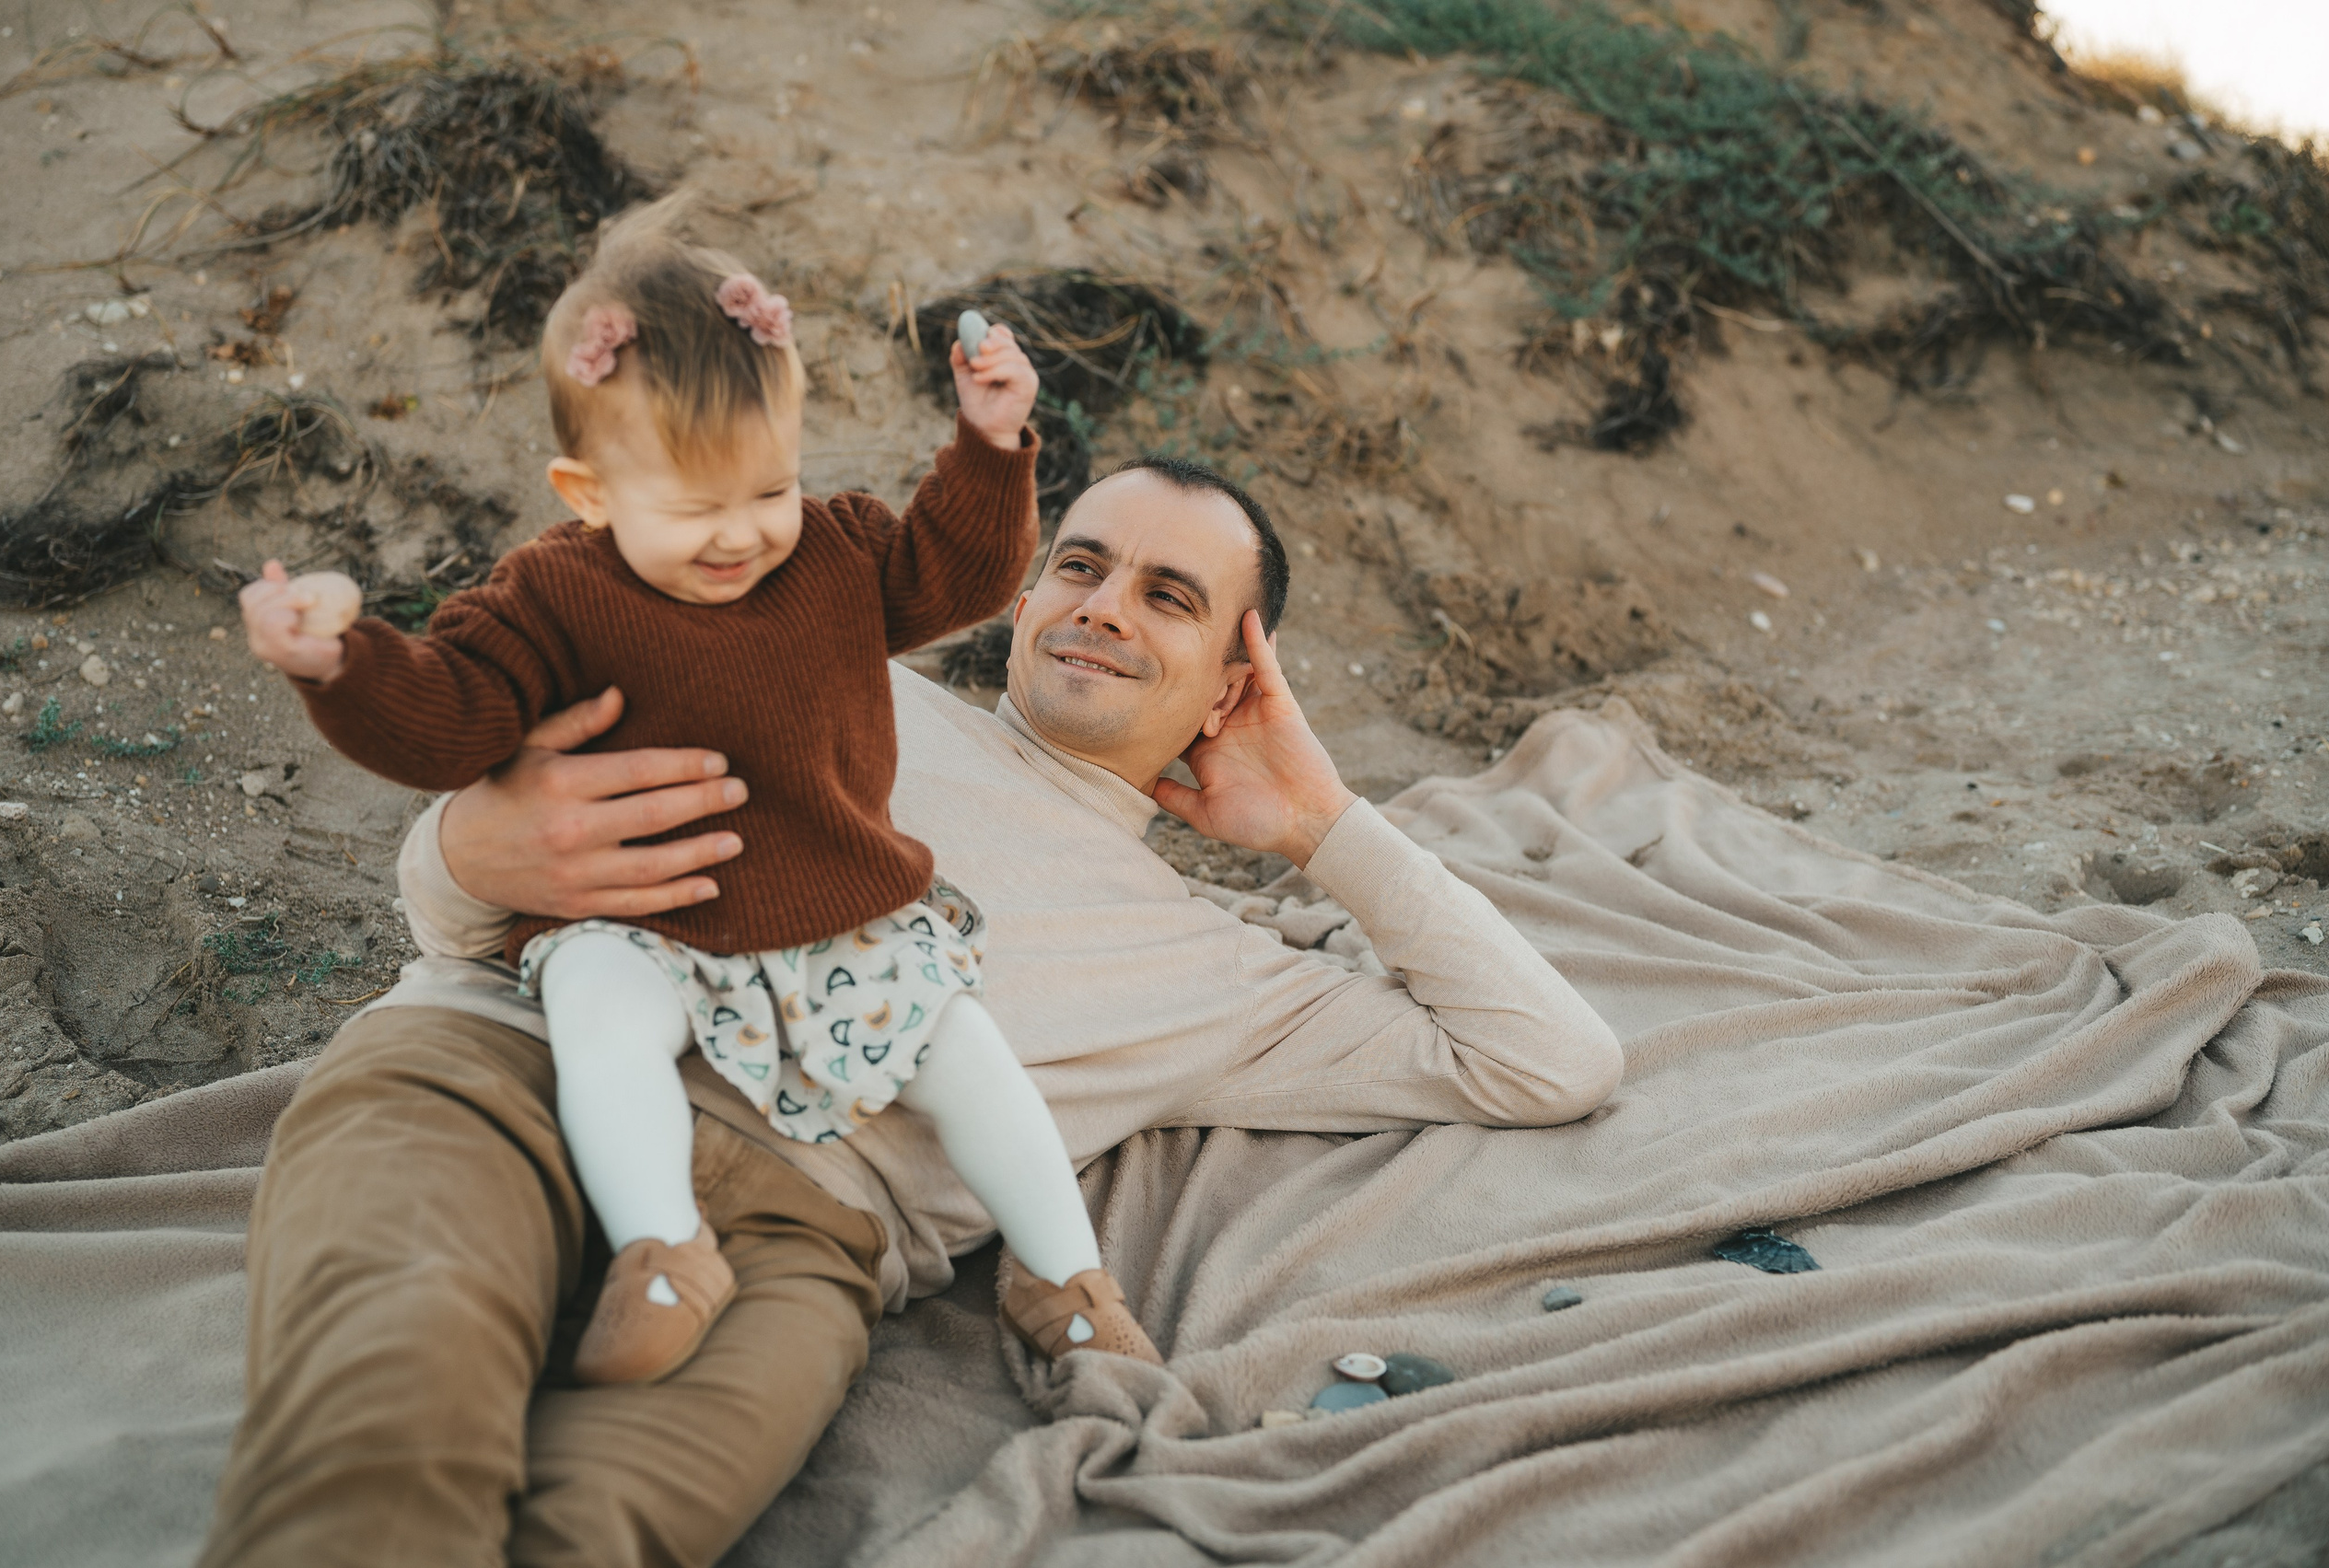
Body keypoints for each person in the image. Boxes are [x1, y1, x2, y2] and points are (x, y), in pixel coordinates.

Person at [199, 448, 1625, 1566]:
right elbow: (480, 867)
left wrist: (1321, 823)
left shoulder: (1217, 973)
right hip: (508, 1068)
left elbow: (1547, 1059)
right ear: (1020, 593)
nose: (1105, 608)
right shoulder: (821, 683)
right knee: (386, 1426)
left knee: (603, 1528)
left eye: (1169, 598)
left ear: (1232, 682)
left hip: (799, 1234)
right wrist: (457, 853)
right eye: (1081, 564)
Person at [234, 200, 1153, 1387]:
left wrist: (988, 444)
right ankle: (664, 1251)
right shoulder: (550, 596)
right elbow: (454, 709)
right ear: (588, 490)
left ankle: (1062, 1274)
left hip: (836, 907)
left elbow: (958, 572)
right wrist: (341, 663)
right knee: (602, 1033)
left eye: (768, 489)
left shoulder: (832, 551)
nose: (740, 535)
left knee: (971, 1059)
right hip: (639, 921)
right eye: (692, 507)